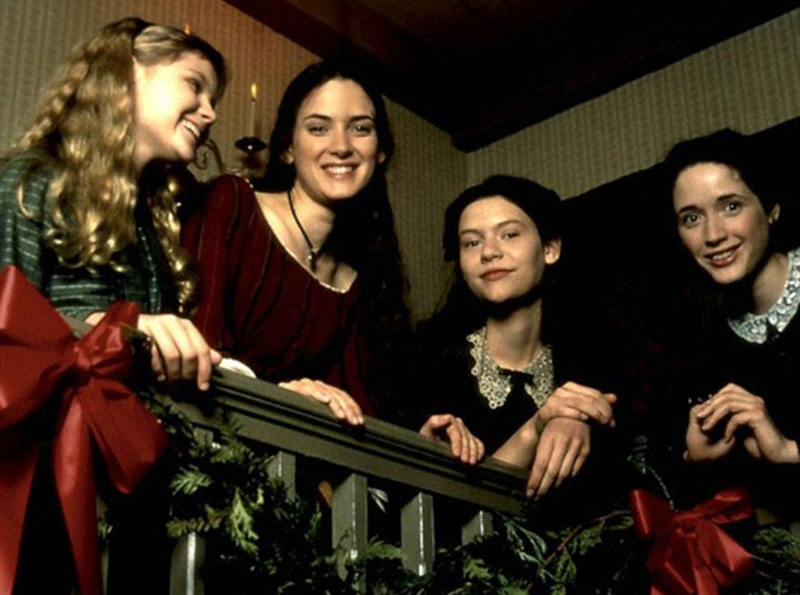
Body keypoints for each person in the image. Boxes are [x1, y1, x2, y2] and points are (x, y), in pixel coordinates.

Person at [0, 17, 228, 593]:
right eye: (195, 85)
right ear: (129, 71)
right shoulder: (30, 180)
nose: (209, 112)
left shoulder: (154, 229)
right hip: (36, 491)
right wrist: (111, 330)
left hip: (127, 493)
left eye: (214, 99)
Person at [182, 60, 482, 463]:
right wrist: (283, 397)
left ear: (380, 152)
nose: (341, 145)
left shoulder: (359, 281)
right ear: (288, 148)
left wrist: (421, 442)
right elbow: (195, 347)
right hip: (199, 454)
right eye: (319, 128)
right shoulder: (231, 201)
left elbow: (358, 417)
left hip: (282, 477)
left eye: (360, 128)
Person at [409, 175, 619, 502]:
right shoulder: (426, 362)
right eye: (471, 242)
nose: (489, 252)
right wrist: (538, 425)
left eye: (509, 234)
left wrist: (576, 415)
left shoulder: (593, 356)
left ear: (550, 249)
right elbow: (452, 511)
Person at [662, 129, 800, 516]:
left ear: (771, 208)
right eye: (691, 218)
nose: (713, 235)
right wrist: (695, 459)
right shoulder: (698, 338)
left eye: (731, 206)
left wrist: (789, 450)